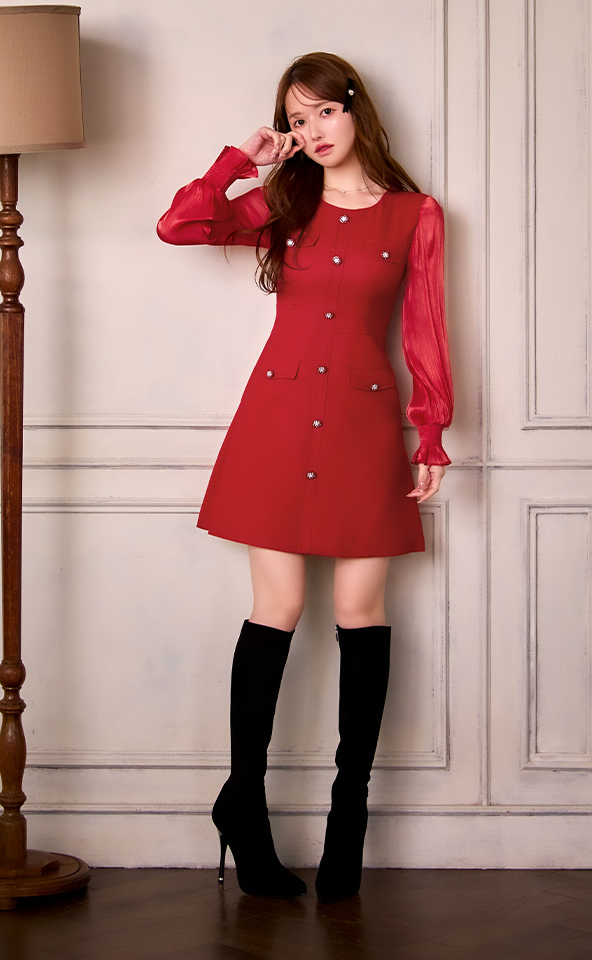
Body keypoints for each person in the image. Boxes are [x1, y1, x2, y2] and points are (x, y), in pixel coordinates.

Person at [157, 51, 454, 903]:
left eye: (324, 111)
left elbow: (426, 325)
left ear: (356, 110)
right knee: (276, 608)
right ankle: (243, 806)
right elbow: (179, 225)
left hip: (363, 428)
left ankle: (347, 818)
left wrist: (431, 431)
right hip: (278, 425)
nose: (312, 131)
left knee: (362, 613)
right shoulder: (282, 205)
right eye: (296, 119)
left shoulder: (415, 214)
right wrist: (240, 161)